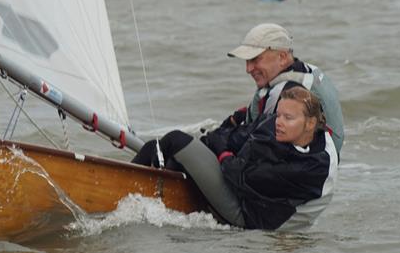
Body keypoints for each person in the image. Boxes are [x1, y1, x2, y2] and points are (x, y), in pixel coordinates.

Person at [132, 87, 338, 230]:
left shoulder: (313, 167)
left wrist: (222, 153)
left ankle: (124, 195)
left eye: (288, 118)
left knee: (175, 142)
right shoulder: (281, 127)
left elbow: (242, 178)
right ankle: (134, 198)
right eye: (279, 115)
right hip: (243, 185)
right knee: (157, 149)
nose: (279, 122)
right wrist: (218, 142)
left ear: (311, 124)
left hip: (251, 217)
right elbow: (236, 137)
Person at [211, 23, 344, 155]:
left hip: (303, 170)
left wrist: (216, 140)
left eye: (255, 59)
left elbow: (258, 142)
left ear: (282, 57)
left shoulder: (288, 94)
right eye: (247, 61)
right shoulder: (309, 71)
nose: (248, 69)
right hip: (322, 166)